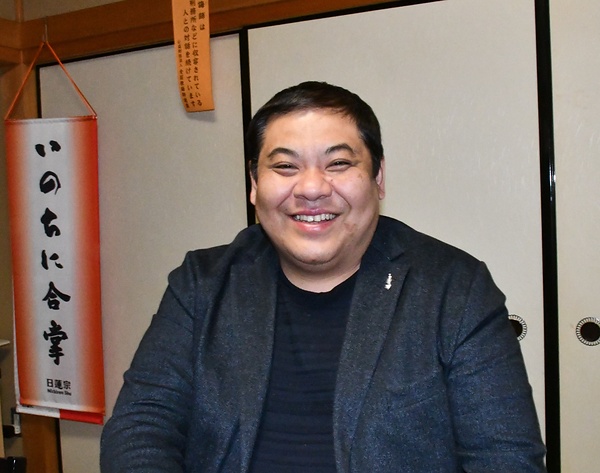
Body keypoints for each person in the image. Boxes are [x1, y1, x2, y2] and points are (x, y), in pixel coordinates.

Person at [100, 81, 546, 472]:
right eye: (285, 167)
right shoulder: (202, 284)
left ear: (378, 178)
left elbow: (505, 457)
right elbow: (141, 426)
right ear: (254, 184)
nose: (312, 188)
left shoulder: (454, 289)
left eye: (338, 164)